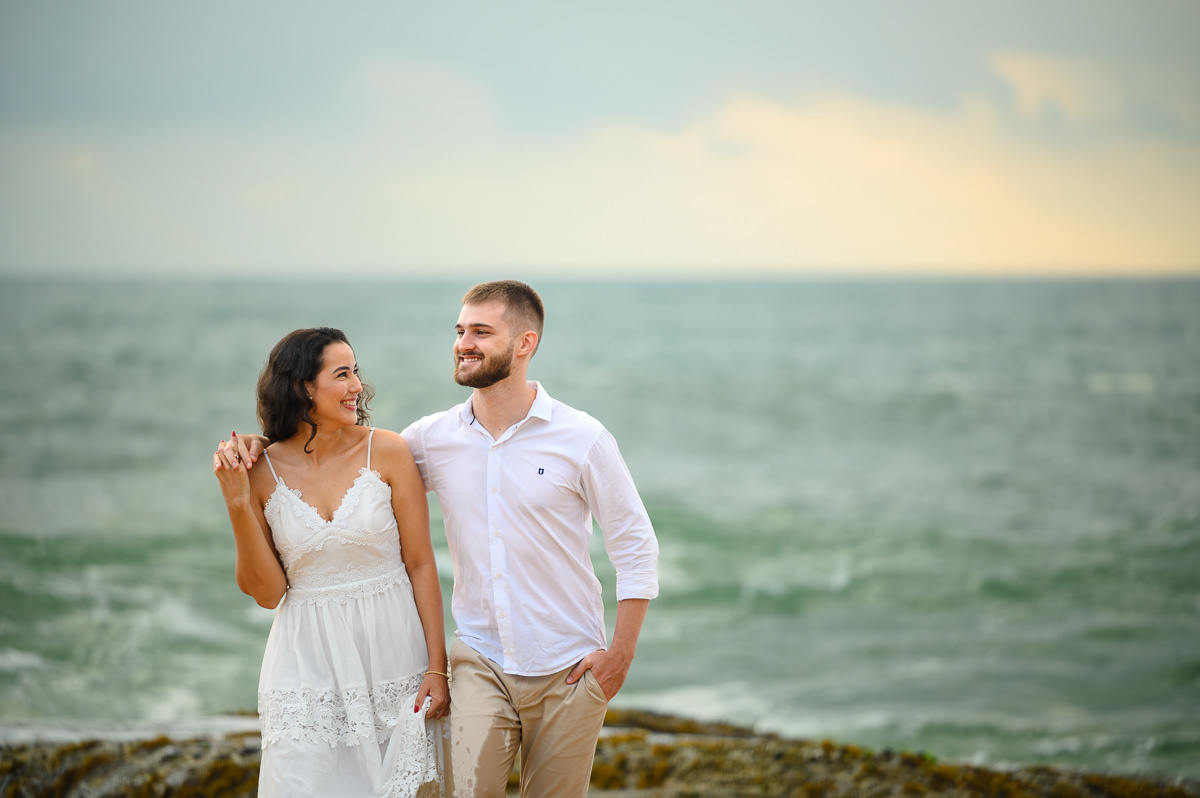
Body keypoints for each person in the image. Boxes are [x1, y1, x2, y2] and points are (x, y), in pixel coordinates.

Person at [226, 282, 660, 797]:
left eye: (481, 331)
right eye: (460, 331)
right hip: (480, 659)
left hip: (569, 663)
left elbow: (635, 545)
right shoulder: (430, 439)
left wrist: (620, 656)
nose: (463, 343)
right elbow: (340, 460)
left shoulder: (582, 438)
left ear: (525, 343)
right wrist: (259, 449)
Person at [212, 327, 451, 798]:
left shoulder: (386, 451)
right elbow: (266, 593)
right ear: (303, 387)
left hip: (393, 655)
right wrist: (238, 504)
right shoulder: (259, 471)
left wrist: (437, 668)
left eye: (356, 372)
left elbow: (421, 564)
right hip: (304, 666)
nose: (357, 386)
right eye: (342, 375)